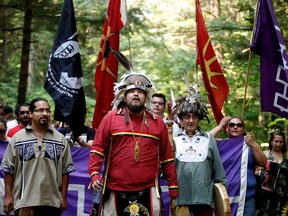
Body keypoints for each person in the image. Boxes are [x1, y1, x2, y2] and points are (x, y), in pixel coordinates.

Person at [88, 72, 178, 216]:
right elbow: (97, 149)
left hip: (148, 189)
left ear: (146, 97)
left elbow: (167, 157)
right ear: (124, 95)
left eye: (140, 92)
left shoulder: (157, 122)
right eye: (131, 91)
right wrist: (94, 174)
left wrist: (173, 185)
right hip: (114, 188)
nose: (136, 94)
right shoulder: (111, 118)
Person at [0, 97, 76, 216]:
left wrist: (63, 198)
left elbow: (65, 171)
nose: (45, 113)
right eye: (40, 110)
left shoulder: (60, 139)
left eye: (47, 110)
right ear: (30, 113)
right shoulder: (17, 138)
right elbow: (9, 169)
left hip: (52, 202)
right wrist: (8, 196)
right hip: (24, 203)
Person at [173, 85, 227, 215]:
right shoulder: (173, 139)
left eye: (195, 117)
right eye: (187, 117)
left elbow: (219, 172)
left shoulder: (208, 138)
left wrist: (222, 196)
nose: (191, 121)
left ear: (200, 119)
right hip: (180, 200)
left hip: (204, 200)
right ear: (180, 120)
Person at [210, 116, 267, 216]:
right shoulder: (219, 145)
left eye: (239, 125)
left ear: (243, 129)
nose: (235, 127)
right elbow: (204, 140)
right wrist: (220, 125)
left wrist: (253, 144)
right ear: (226, 128)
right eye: (231, 125)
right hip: (224, 197)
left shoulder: (249, 145)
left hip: (247, 198)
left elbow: (263, 162)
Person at [255, 131, 288, 216]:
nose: (278, 144)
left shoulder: (286, 156)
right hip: (266, 194)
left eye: (281, 142)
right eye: (276, 141)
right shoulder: (265, 154)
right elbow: (255, 170)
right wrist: (260, 172)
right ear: (271, 142)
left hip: (283, 194)